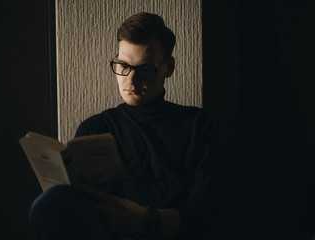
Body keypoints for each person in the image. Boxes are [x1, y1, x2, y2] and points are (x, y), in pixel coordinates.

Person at [29, 12, 218, 240]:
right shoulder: (94, 128)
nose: (131, 80)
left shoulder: (197, 125)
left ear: (168, 68)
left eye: (145, 69)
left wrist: (148, 220)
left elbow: (207, 213)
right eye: (123, 65)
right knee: (51, 201)